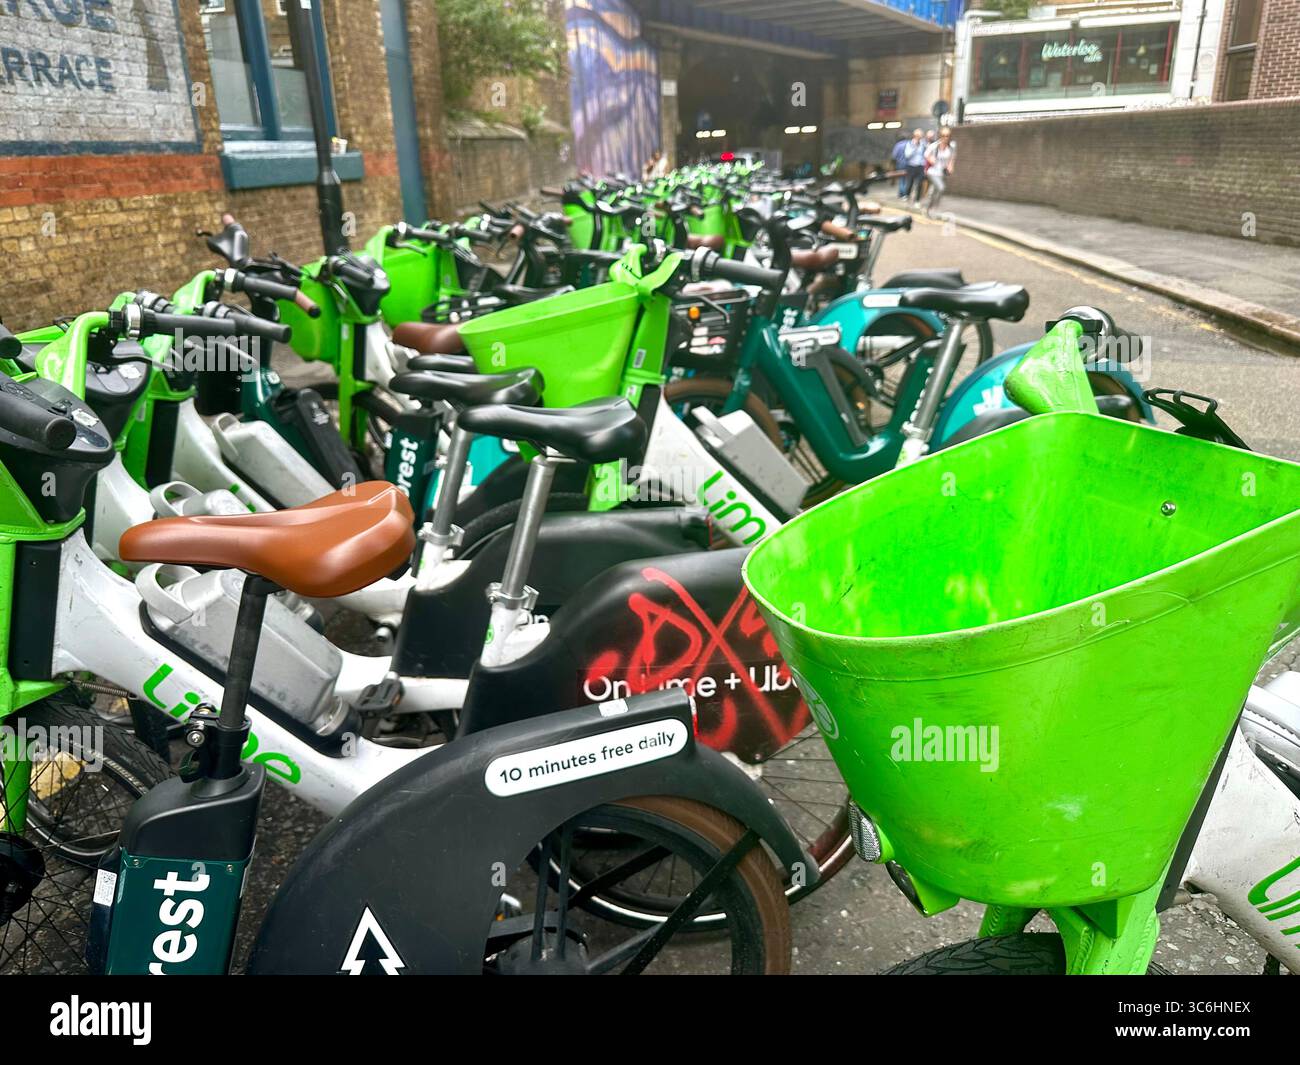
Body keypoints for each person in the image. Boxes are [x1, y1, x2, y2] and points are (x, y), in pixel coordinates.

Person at [923, 127, 955, 217]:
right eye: (943, 135)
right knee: (941, 188)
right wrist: (931, 159)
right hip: (932, 172)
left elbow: (951, 159)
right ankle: (933, 208)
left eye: (947, 136)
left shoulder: (951, 147)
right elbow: (926, 155)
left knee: (935, 191)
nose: (945, 138)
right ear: (940, 136)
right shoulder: (934, 146)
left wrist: (950, 167)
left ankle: (929, 208)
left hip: (941, 173)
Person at [902, 129, 927, 203]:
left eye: (920, 136)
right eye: (918, 136)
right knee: (910, 182)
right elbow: (907, 155)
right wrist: (914, 147)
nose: (919, 138)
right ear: (914, 136)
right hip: (911, 166)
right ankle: (907, 195)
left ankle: (917, 200)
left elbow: (925, 154)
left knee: (919, 184)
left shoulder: (923, 144)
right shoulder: (910, 144)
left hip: (920, 166)